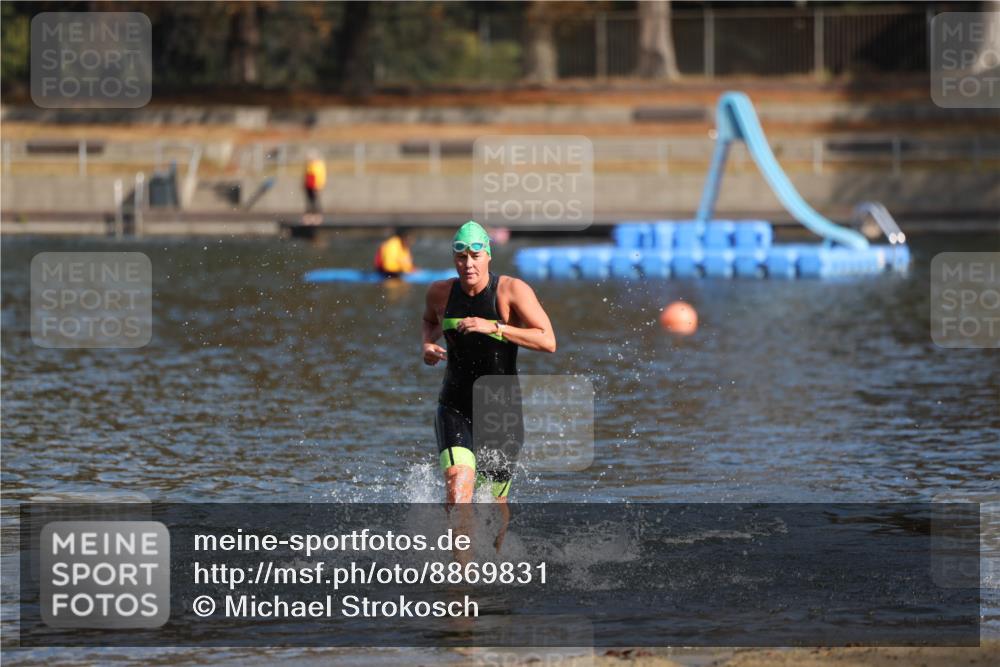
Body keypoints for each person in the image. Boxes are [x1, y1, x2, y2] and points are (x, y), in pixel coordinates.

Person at [422, 221, 556, 508]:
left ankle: (495, 554)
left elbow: (548, 341)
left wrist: (494, 327)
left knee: (494, 507)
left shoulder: (511, 290)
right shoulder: (440, 292)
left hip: (501, 414)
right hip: (454, 406)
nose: (468, 264)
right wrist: (427, 345)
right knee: (459, 494)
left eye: (475, 256)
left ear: (488, 256)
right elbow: (429, 321)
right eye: (461, 257)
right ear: (454, 259)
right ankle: (458, 555)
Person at [303, 150, 326, 223]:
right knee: (309, 201)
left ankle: (318, 216)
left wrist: (320, 185)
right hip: (308, 185)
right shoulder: (309, 165)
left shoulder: (319, 165)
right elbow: (306, 175)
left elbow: (321, 176)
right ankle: (309, 216)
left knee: (316, 201)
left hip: (316, 185)